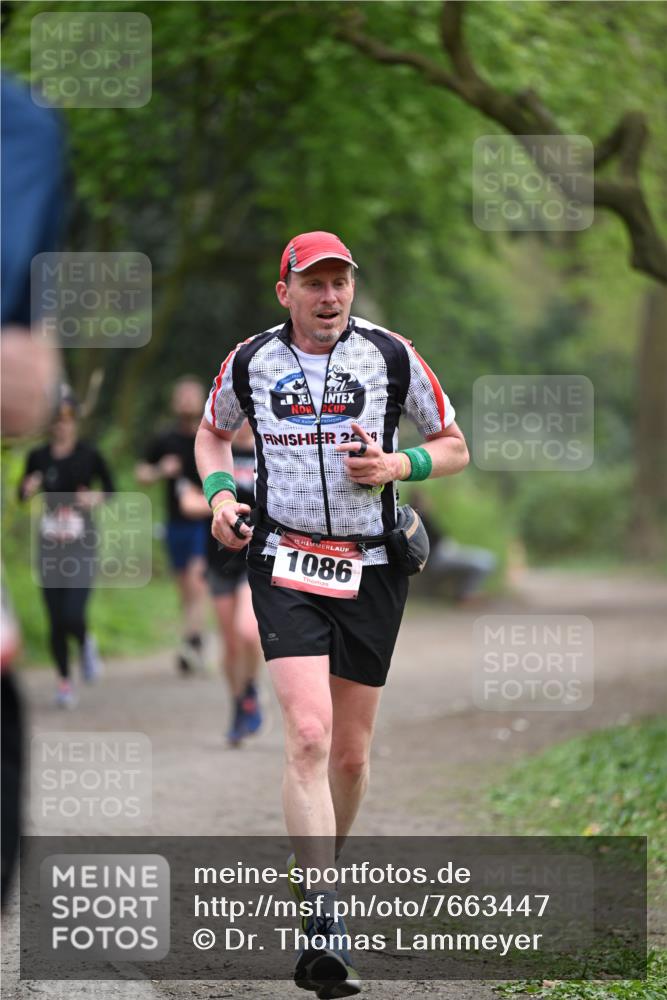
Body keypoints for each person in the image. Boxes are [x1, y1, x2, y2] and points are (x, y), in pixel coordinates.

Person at [195, 231, 469, 997]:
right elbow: (211, 431)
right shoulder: (249, 361)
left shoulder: (390, 357)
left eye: (339, 282)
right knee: (308, 735)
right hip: (283, 562)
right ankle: (323, 922)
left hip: (373, 565)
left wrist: (397, 464)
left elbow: (452, 445)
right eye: (312, 283)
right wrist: (221, 495)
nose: (329, 296)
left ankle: (319, 870)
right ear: (283, 289)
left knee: (349, 753)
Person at [18, 388, 115, 708]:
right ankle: (63, 682)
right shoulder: (38, 457)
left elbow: (111, 490)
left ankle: (85, 641)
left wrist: (94, 498)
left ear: (75, 421)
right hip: (49, 545)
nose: (62, 425)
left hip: (81, 544)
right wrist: (27, 488)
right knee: (55, 617)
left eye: (67, 419)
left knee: (73, 612)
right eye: (56, 420)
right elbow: (23, 492)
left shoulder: (89, 455)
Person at [177, 420, 263, 745]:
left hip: (256, 557)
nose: (242, 423)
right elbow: (187, 502)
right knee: (229, 643)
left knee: (248, 631)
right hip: (219, 557)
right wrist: (223, 507)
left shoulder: (269, 451)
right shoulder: (210, 452)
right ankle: (239, 703)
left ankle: (252, 687)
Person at [136, 376, 209, 674]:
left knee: (196, 580)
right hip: (175, 522)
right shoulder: (164, 439)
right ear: (174, 402)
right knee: (185, 589)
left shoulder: (210, 436)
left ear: (203, 400)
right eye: (182, 397)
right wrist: (159, 470)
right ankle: (196, 639)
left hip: (205, 520)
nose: (187, 402)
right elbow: (141, 474)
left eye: (192, 397)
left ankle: (190, 642)